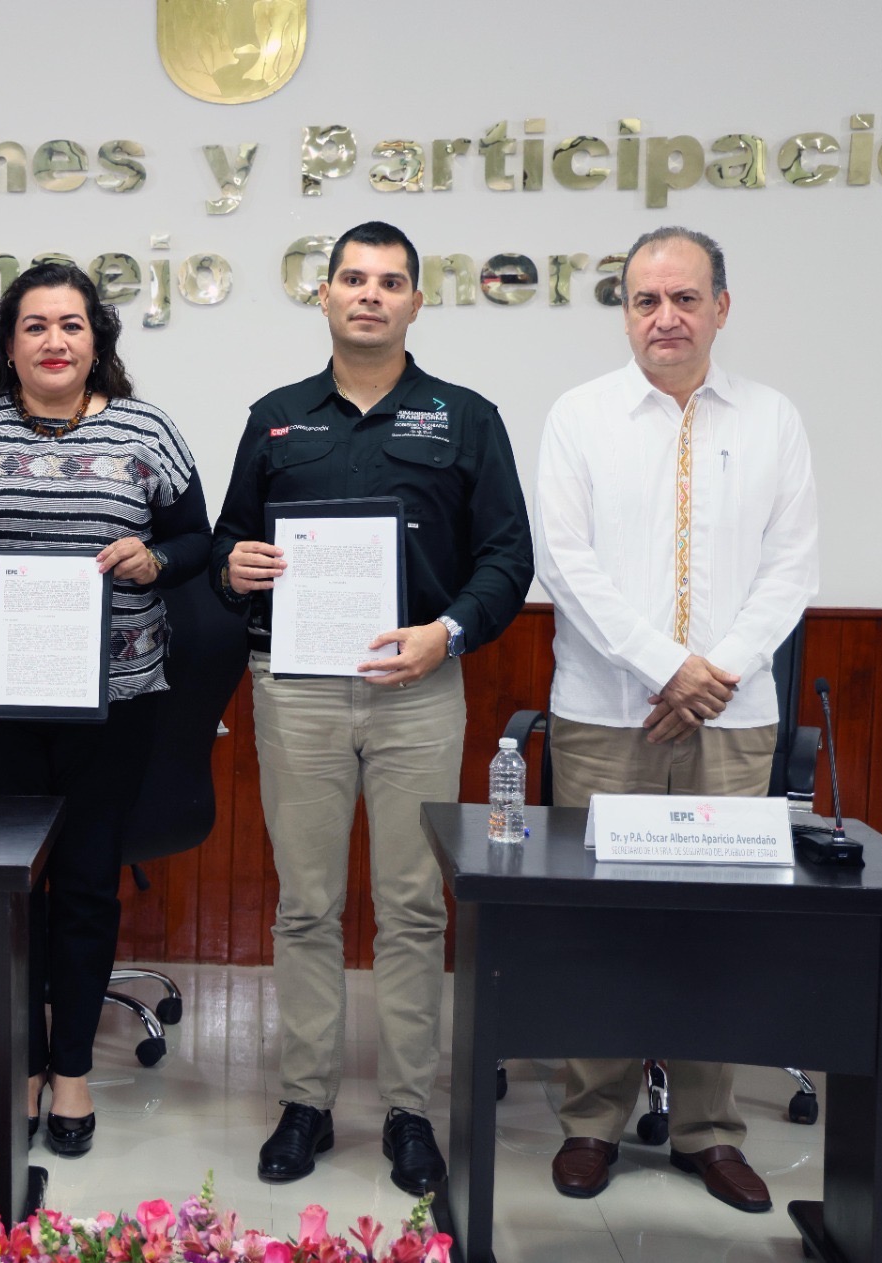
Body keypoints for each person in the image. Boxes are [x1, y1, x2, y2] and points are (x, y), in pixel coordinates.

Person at [211, 221, 533, 1190]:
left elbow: (507, 558)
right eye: (352, 277)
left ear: (414, 302)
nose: (369, 294)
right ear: (323, 295)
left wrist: (450, 634)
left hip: (418, 689)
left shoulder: (464, 417)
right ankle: (304, 1101)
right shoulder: (275, 417)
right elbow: (227, 551)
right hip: (296, 691)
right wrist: (234, 568)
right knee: (305, 904)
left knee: (411, 907)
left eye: (389, 281)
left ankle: (407, 1113)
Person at [535, 227, 818, 1212]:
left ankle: (708, 1129)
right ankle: (589, 1121)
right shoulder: (579, 417)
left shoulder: (773, 419)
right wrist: (667, 668)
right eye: (645, 300)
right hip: (603, 713)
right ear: (624, 312)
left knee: (716, 927)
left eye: (684, 299)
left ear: (720, 308)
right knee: (603, 923)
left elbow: (792, 567)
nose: (665, 317)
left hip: (734, 720)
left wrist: (719, 673)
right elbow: (565, 565)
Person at [0, 262, 209, 1157]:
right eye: (35, 325)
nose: (54, 341)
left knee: (83, 881)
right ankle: (23, 1055)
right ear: (8, 343)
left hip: (116, 701)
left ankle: (69, 1066)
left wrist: (157, 560)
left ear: (97, 339)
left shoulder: (148, 430)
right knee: (9, 888)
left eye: (71, 324)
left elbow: (199, 540)